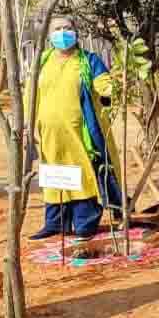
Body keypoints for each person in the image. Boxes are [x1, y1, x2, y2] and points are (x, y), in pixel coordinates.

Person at [29, 17, 123, 240]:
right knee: (53, 174)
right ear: (49, 34)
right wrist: (27, 124)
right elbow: (30, 96)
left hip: (80, 133)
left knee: (82, 174)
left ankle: (85, 221)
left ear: (76, 32)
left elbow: (103, 84)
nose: (63, 33)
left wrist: (115, 86)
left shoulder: (89, 60)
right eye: (57, 29)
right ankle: (55, 223)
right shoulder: (41, 62)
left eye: (67, 28)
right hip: (48, 132)